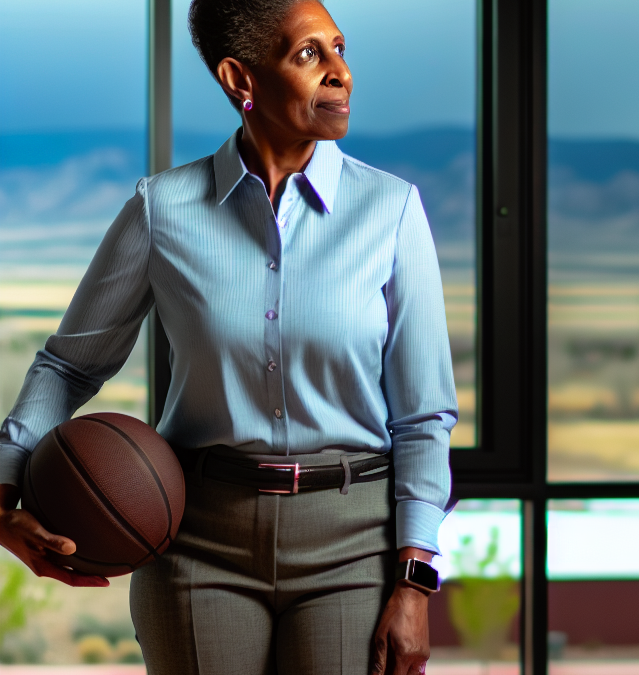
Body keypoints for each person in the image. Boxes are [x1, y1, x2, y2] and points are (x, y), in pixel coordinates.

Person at [0, 0, 458, 672]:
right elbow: (69, 365)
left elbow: (423, 417)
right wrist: (4, 488)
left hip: (353, 543)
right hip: (195, 540)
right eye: (309, 55)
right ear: (240, 81)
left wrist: (415, 579)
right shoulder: (163, 208)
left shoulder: (391, 211)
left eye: (339, 48)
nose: (341, 74)